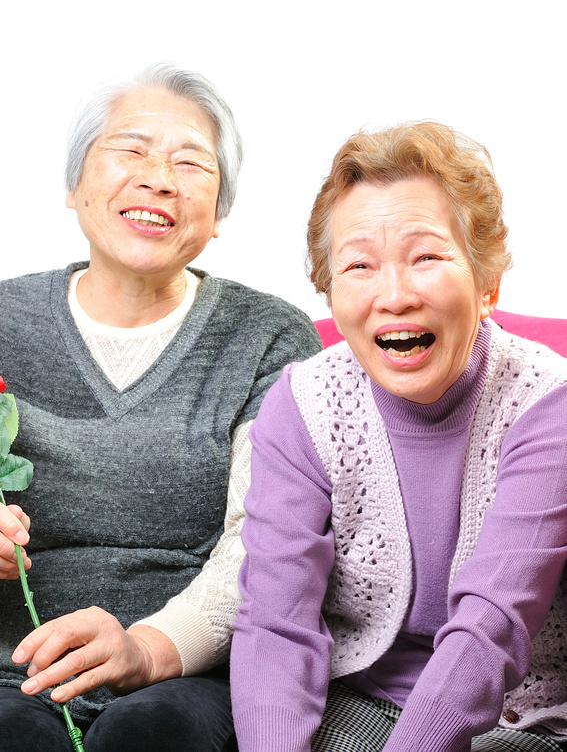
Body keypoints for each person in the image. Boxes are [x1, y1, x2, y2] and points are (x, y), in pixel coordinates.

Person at [0, 64, 322, 751]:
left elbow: (264, 543)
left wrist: (146, 648)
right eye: (131, 149)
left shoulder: (268, 338)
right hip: (10, 672)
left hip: (186, 673)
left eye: (190, 163)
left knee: (148, 735)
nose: (159, 179)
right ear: (73, 185)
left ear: (218, 213)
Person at [230, 121, 567, 752]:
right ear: (331, 294)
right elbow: (276, 623)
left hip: (520, 715)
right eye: (359, 265)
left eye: (426, 257)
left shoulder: (547, 404)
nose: (394, 296)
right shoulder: (301, 405)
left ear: (487, 285)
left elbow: (491, 625)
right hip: (363, 698)